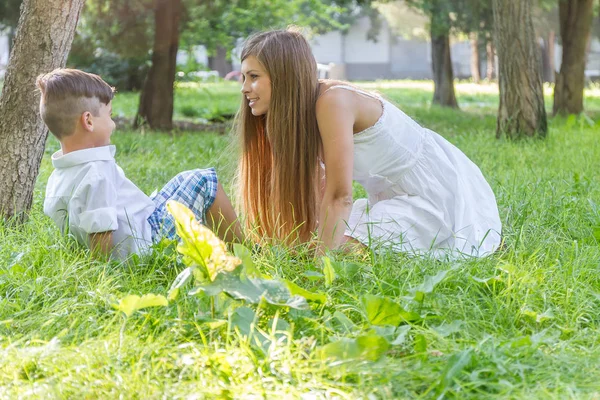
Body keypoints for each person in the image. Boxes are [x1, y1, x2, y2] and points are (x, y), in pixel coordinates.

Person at [234, 27, 501, 258]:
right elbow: (319, 196)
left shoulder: (332, 102)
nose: (245, 87)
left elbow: (340, 197)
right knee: (313, 243)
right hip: (390, 199)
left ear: (283, 76)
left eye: (254, 77)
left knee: (338, 251)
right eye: (244, 77)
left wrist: (319, 269)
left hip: (435, 196)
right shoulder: (302, 113)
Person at [38, 68, 243, 259]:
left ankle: (215, 246)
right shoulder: (96, 173)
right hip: (149, 242)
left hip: (143, 222)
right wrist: (102, 277)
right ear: (88, 121)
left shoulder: (59, 177)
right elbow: (100, 235)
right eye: (110, 116)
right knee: (204, 180)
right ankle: (244, 252)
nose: (113, 124)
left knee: (183, 180)